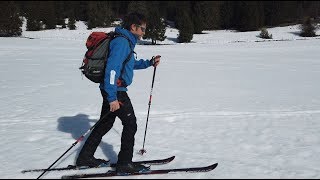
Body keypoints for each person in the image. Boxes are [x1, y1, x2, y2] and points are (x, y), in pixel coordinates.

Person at [76, 12, 161, 174]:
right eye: (142, 29)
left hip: (112, 90)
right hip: (117, 91)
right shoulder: (122, 42)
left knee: (105, 124)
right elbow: (112, 70)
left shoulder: (125, 41)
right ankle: (124, 163)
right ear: (133, 27)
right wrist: (112, 97)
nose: (144, 32)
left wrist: (149, 63)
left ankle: (85, 158)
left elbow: (129, 63)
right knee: (130, 124)